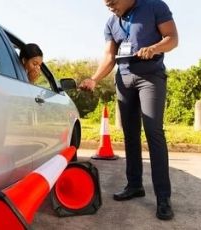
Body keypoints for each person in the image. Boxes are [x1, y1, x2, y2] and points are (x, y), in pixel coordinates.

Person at [79, 0, 178, 220]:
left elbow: (172, 38)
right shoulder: (111, 23)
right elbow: (109, 56)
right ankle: (134, 185)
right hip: (123, 80)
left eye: (112, 2)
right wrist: (94, 79)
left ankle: (163, 197)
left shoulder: (154, 6)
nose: (109, 6)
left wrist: (154, 48)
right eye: (106, 3)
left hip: (150, 78)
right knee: (130, 135)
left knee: (153, 132)